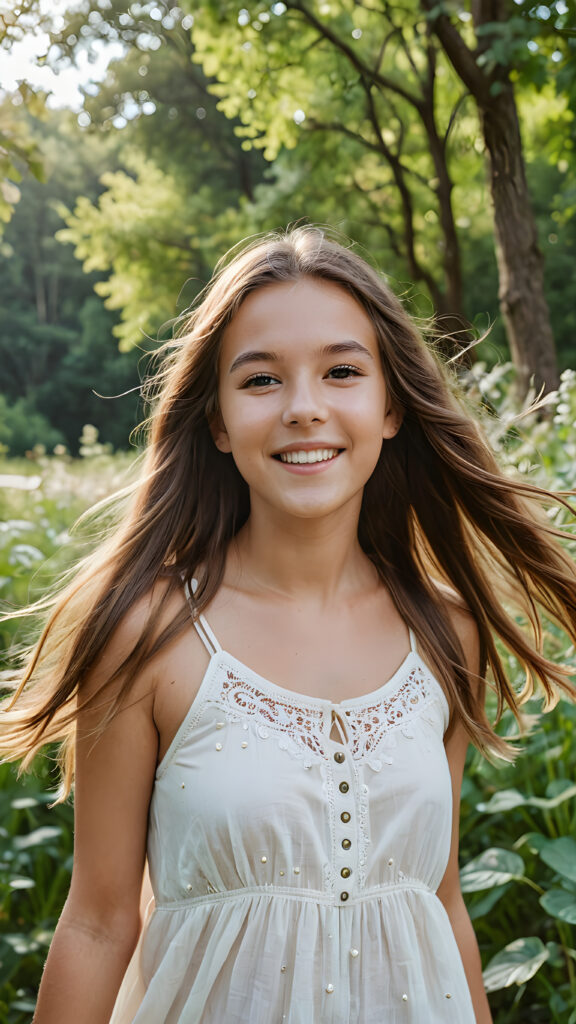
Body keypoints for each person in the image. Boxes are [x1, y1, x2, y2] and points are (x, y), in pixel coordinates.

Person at [2, 226, 575, 1024]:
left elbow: (439, 902)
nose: (305, 409)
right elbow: (99, 923)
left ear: (391, 408)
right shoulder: (150, 633)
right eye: (262, 380)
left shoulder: (445, 635)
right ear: (217, 422)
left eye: (342, 372)